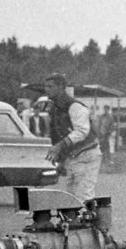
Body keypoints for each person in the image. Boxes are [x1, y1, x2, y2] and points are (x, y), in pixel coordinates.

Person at [41, 73, 101, 202]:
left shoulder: (75, 106)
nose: (47, 90)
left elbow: (82, 131)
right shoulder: (55, 108)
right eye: (46, 86)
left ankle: (88, 221)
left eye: (50, 86)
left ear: (61, 87)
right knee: (71, 197)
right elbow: (57, 134)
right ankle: (77, 221)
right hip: (73, 156)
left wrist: (59, 146)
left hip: (86, 154)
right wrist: (61, 159)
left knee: (83, 195)